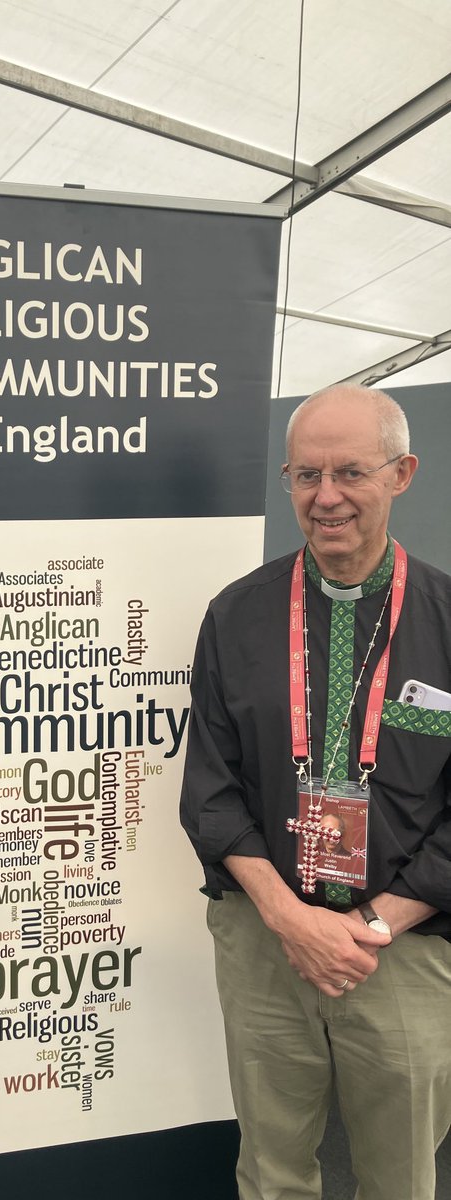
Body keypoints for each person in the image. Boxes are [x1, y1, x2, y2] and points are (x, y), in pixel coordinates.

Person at [180, 385, 451, 1200]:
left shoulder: (447, 619)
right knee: (271, 1169)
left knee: (399, 1176)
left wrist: (368, 927)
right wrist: (291, 920)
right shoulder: (235, 616)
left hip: (400, 952)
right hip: (266, 941)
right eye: (305, 475)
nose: (325, 497)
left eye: (349, 473)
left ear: (401, 474)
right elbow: (210, 797)